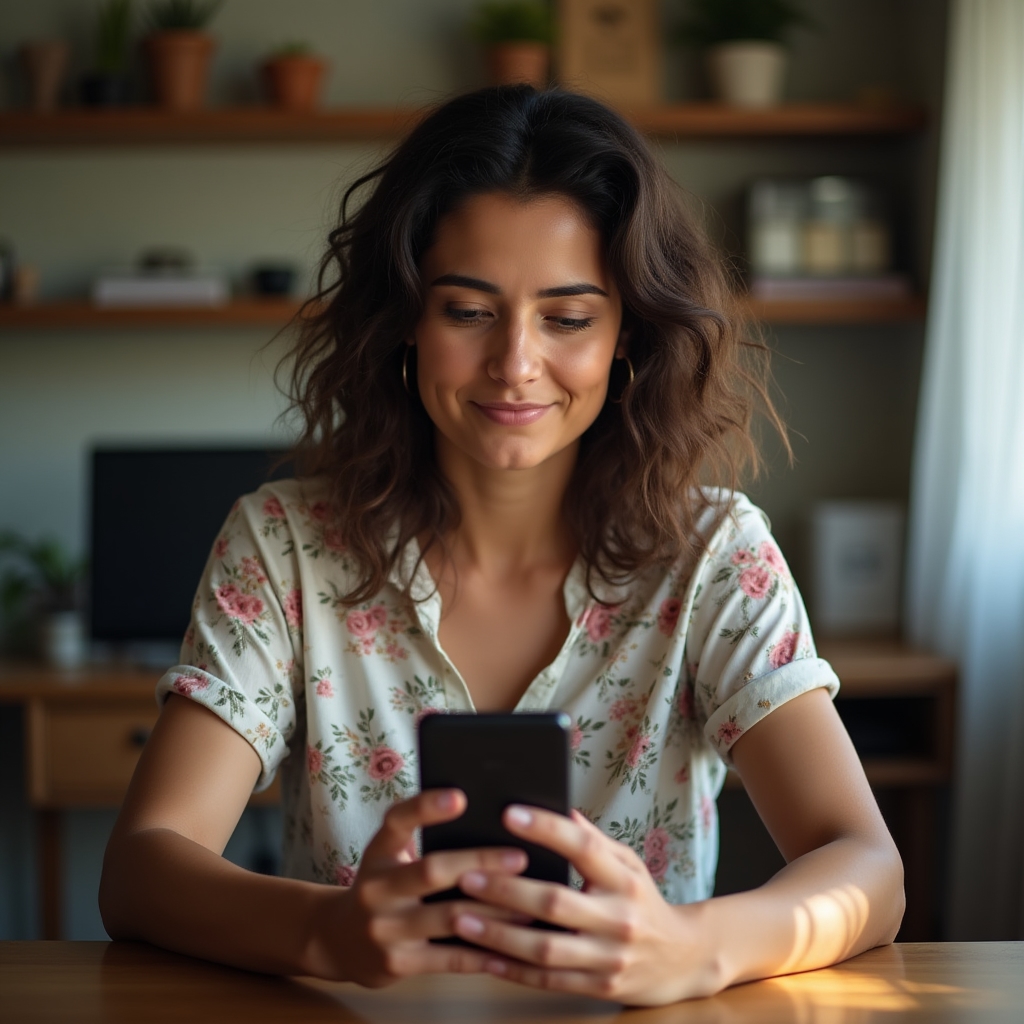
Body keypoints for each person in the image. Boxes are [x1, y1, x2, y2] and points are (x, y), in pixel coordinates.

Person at [99, 85, 903, 1005]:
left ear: (626, 337)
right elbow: (140, 869)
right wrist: (326, 929)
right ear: (404, 322)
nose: (515, 362)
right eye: (468, 311)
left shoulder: (716, 554)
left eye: (567, 317)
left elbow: (868, 869)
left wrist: (694, 946)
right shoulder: (281, 547)